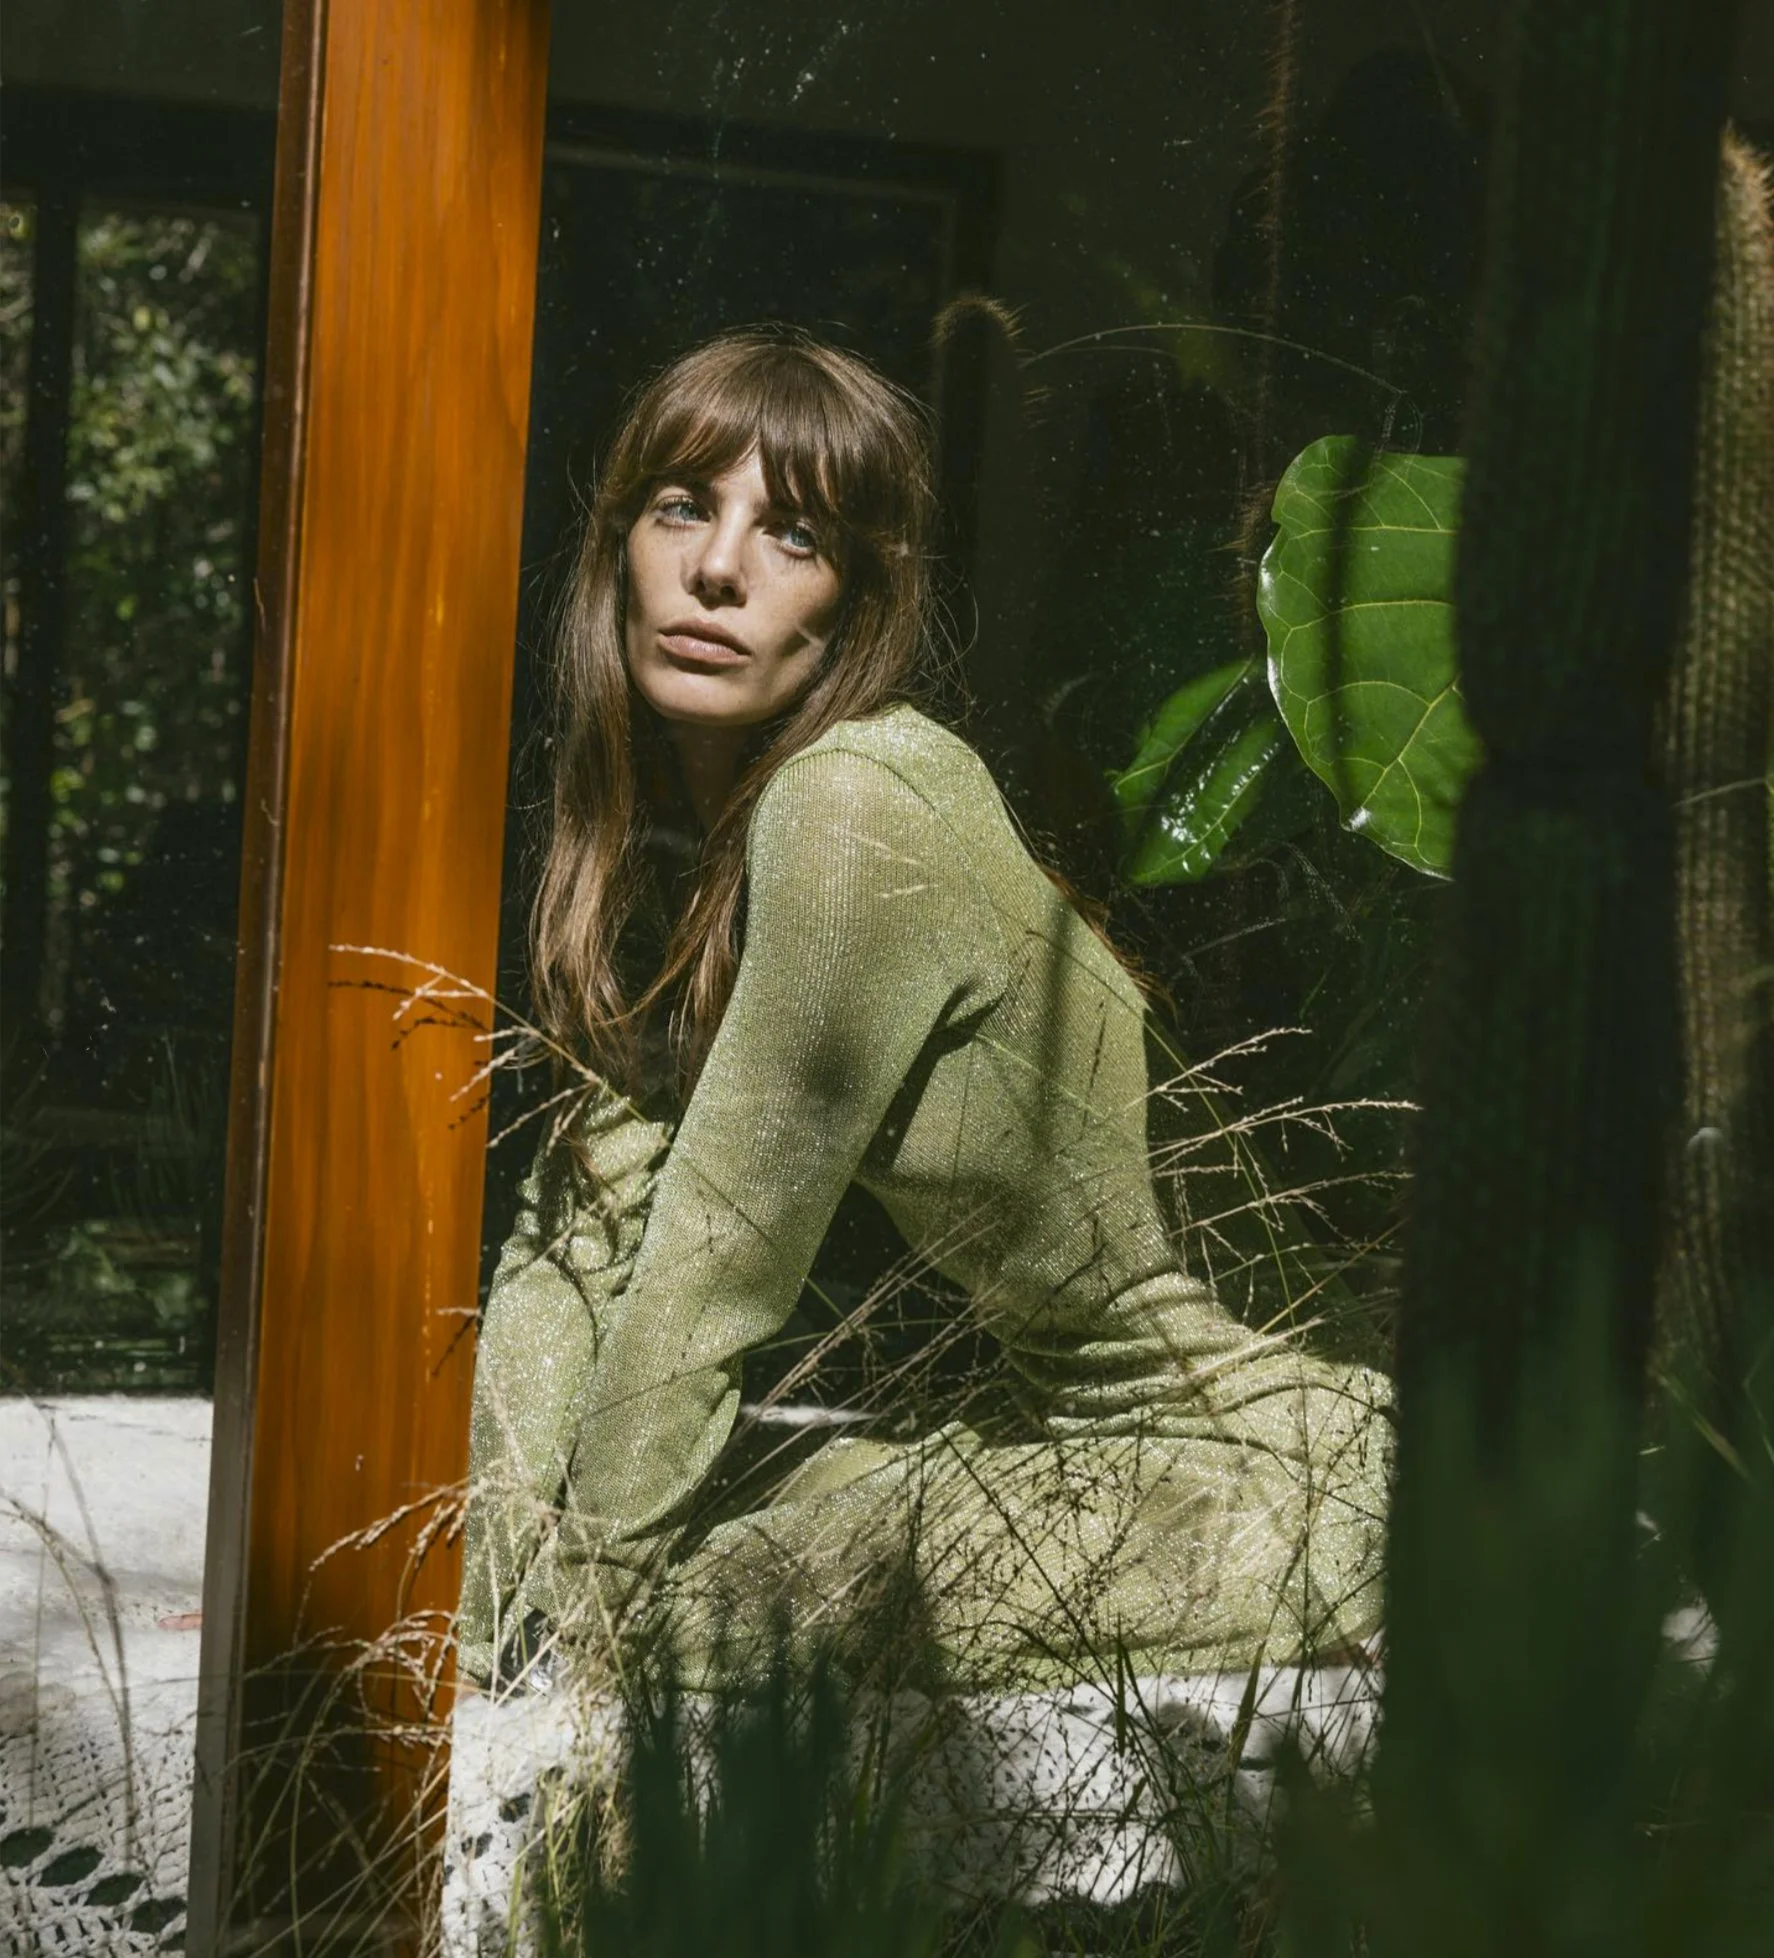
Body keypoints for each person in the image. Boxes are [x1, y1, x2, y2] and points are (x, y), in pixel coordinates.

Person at [454, 327, 1390, 1700]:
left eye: (793, 534)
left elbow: (717, 1262)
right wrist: (466, 1609)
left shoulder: (852, 804)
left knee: (702, 1613)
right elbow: (580, 1248)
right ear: (619, 547)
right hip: (1065, 1443)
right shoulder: (669, 852)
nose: (717, 567)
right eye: (682, 506)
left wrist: (578, 1620)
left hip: (1275, 1470)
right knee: (718, 1512)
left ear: (854, 601)